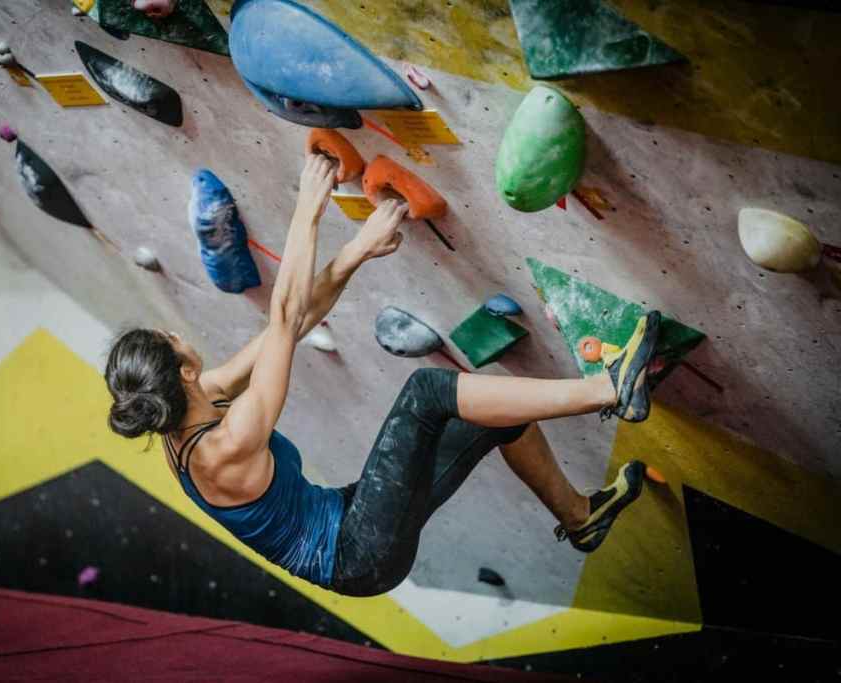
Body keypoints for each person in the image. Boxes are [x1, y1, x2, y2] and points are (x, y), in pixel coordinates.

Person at [105, 155, 661, 597]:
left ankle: (581, 517)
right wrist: (309, 207)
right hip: (358, 555)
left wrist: (356, 252)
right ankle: (611, 388)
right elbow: (283, 315)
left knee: (495, 416)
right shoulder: (224, 446)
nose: (177, 333)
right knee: (428, 393)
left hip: (353, 519)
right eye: (168, 339)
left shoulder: (195, 402)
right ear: (182, 369)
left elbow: (297, 323)